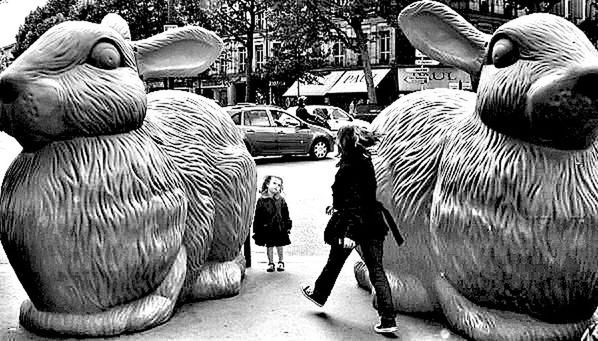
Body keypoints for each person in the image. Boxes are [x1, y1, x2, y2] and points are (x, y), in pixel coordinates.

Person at [300, 125, 398, 334]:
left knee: (335, 262)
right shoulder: (364, 160)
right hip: (371, 222)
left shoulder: (349, 166)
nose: (335, 141)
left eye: (337, 138)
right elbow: (361, 196)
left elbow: (355, 203)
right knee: (376, 269)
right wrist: (336, 206)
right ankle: (388, 319)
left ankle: (319, 294)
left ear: (343, 141)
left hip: (352, 225)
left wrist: (350, 234)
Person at [252, 175, 292, 272]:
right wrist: (257, 229)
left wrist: (288, 226)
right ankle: (270, 263)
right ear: (267, 184)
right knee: (269, 245)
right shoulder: (261, 200)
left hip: (279, 227)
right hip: (267, 228)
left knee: (279, 245)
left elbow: (286, 213)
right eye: (274, 183)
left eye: (279, 185)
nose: (276, 186)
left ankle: (281, 262)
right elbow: (258, 215)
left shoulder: (281, 200)